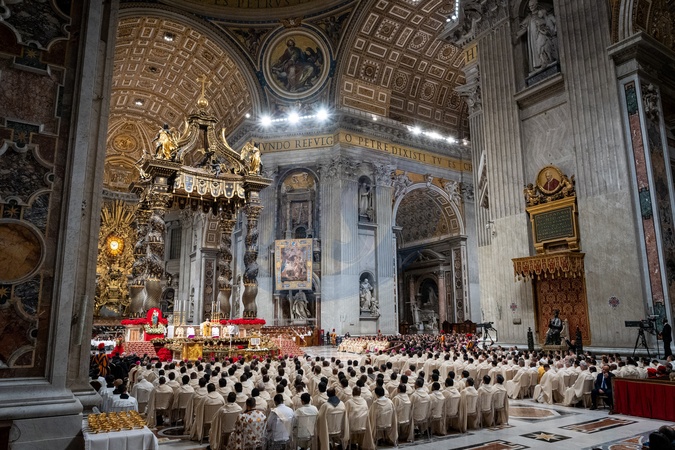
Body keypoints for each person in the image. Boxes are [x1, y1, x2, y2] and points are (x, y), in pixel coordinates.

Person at [518, 0, 558, 74]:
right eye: (530, 6)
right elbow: (523, 27)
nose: (531, 7)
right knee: (537, 49)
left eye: (532, 5)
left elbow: (548, 22)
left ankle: (548, 60)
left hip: (542, 33)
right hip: (533, 36)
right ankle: (539, 63)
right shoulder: (529, 17)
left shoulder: (541, 12)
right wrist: (517, 34)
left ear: (536, 5)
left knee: (544, 46)